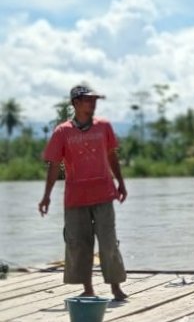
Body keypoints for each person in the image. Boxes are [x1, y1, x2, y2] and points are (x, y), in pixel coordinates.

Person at [37, 83, 128, 301]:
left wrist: (121, 183)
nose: (93, 103)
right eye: (88, 100)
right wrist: (46, 195)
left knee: (108, 242)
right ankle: (88, 288)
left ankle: (115, 287)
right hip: (76, 198)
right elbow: (54, 165)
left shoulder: (103, 126)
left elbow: (112, 156)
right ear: (75, 103)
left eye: (95, 100)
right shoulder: (63, 132)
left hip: (104, 194)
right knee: (79, 244)